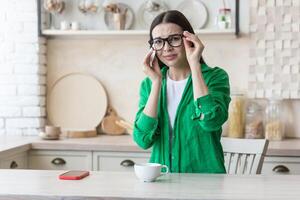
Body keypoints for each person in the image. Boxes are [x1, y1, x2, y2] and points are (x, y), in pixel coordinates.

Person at [133, 10, 231, 173]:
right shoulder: (148, 85)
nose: (166, 48)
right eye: (158, 42)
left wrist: (195, 65)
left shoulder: (215, 77)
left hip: (206, 186)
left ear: (189, 40)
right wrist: (157, 83)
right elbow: (142, 139)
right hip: (162, 183)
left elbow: (210, 121)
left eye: (174, 39)